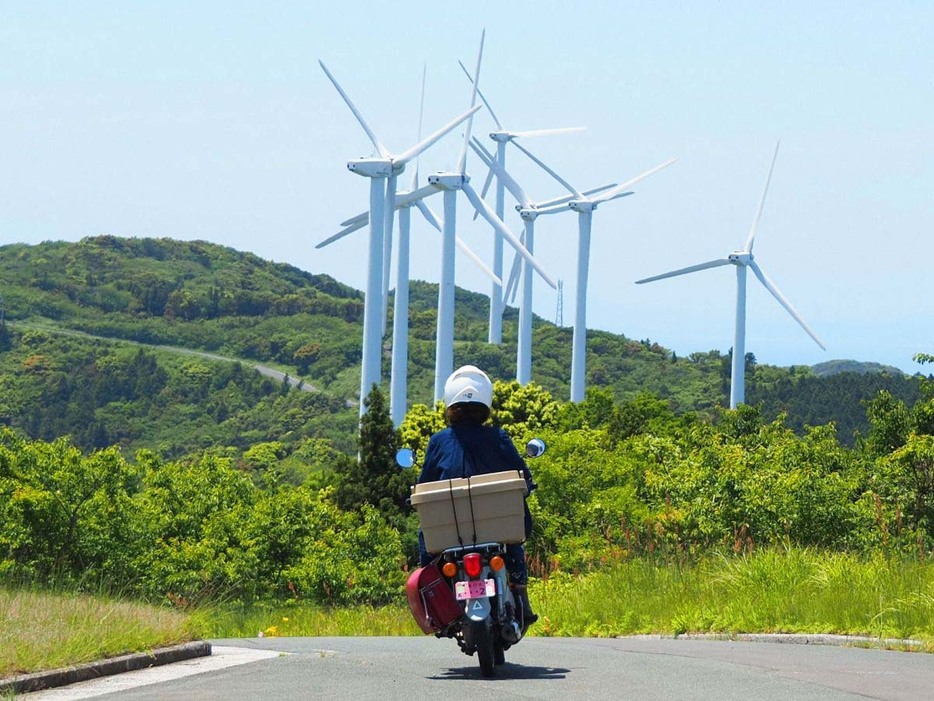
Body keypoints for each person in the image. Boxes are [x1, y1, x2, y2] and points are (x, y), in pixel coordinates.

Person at [417, 365, 537, 626]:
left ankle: (434, 598)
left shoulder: (438, 442)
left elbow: (424, 484)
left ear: (450, 401)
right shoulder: (498, 437)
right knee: (514, 540)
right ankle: (522, 597)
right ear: (485, 400)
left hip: (451, 533)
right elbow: (522, 473)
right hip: (495, 529)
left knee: (426, 547)